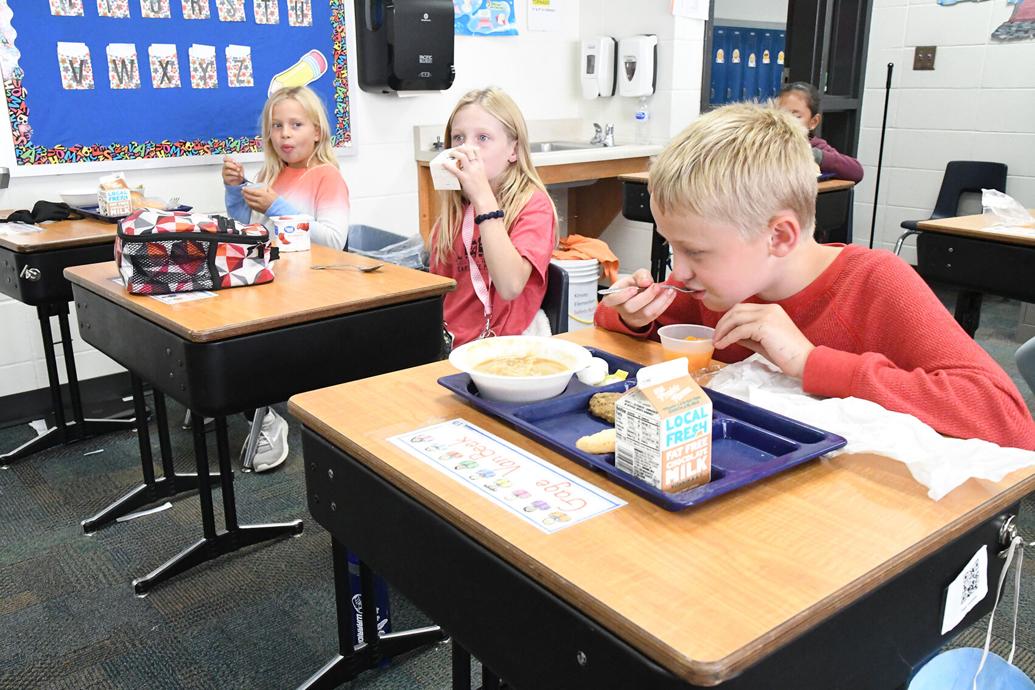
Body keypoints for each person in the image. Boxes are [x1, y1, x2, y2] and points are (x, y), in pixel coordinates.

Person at [594, 102, 1035, 450]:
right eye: (674, 246)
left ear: (779, 237)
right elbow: (614, 326)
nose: (679, 269)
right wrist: (633, 316)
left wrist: (810, 363)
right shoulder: (717, 286)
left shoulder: (875, 283)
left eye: (695, 251)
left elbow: (1008, 420)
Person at [220, 85, 351, 471]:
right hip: (272, 284)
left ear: (317, 132)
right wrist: (234, 191)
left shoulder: (327, 176)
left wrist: (277, 207)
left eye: (296, 124)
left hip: (310, 293)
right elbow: (245, 230)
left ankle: (266, 417)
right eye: (277, 126)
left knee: (241, 337)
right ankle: (251, 408)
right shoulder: (270, 174)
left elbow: (333, 240)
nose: (285, 134)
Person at [428, 86, 557, 349]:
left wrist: (483, 199)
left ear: (513, 150)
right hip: (452, 344)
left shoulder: (533, 206)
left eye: (483, 138)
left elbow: (510, 286)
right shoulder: (454, 212)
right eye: (458, 138)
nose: (467, 149)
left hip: (505, 344)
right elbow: (439, 295)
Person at [777, 82, 864, 183]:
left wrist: (815, 155)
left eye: (796, 116)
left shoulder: (816, 146)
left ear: (813, 122)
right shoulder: (767, 144)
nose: (787, 121)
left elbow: (856, 172)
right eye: (782, 114)